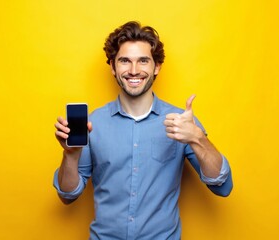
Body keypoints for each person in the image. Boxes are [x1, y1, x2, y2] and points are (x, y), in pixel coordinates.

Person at [53, 21, 233, 240]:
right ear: (112, 66)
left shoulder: (183, 122)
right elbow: (67, 195)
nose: (134, 70)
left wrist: (197, 138)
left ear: (156, 66)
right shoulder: (94, 124)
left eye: (143, 61)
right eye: (124, 61)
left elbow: (223, 187)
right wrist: (70, 155)